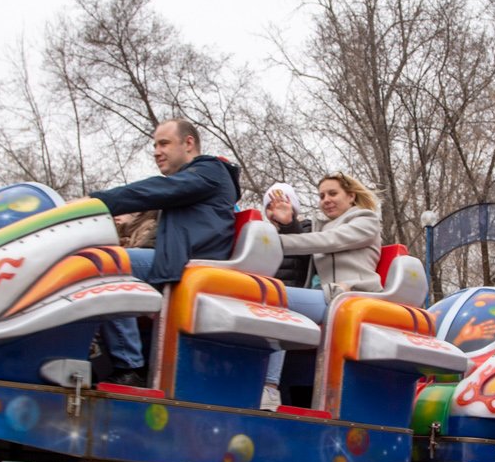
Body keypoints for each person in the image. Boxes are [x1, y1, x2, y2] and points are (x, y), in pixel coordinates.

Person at [89, 118, 241, 386]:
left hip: (191, 267)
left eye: (164, 143)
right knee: (93, 260)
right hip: (174, 260)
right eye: (154, 145)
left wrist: (99, 202)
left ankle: (129, 366)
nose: (156, 151)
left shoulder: (210, 170)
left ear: (189, 143)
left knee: (108, 263)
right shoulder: (189, 185)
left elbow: (157, 189)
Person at [258, 174, 384, 408]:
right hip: (329, 297)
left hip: (352, 299)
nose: (326, 199)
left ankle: (270, 387)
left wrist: (272, 241)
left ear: (351, 196)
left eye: (332, 193)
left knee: (273, 297)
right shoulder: (320, 226)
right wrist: (286, 225)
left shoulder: (366, 221)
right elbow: (307, 242)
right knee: (259, 298)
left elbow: (328, 240)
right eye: (321, 195)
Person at [262, 182, 313, 288]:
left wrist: (288, 224)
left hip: (293, 295)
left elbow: (304, 247)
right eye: (270, 207)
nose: (276, 211)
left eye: (281, 203)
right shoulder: (264, 235)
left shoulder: (308, 227)